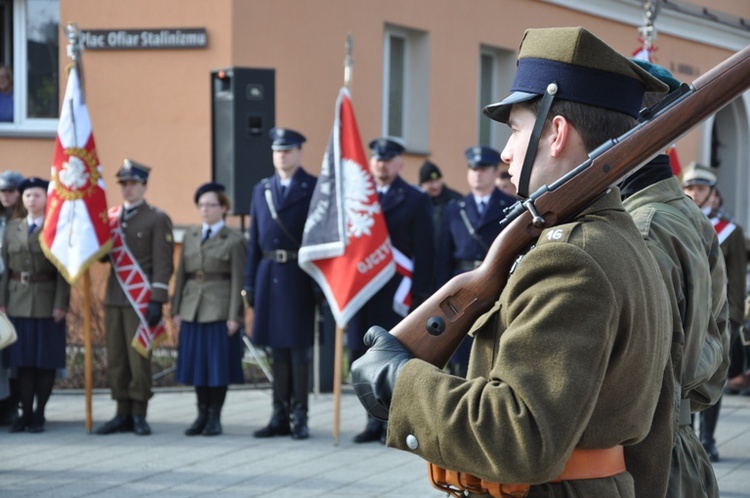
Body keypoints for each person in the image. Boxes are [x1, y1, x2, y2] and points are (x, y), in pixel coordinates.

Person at [351, 26, 673, 497]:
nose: (504, 152)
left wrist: (402, 381)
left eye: (517, 130)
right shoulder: (618, 241)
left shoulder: (572, 259)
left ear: (557, 133)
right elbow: (656, 433)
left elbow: (519, 435)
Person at [619, 60, 729, 498]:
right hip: (676, 454)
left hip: (647, 465)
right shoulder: (685, 214)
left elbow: (645, 381)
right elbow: (713, 351)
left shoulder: (643, 228)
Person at [348, 137, 434, 444]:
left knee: (395, 358)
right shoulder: (359, 198)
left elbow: (425, 250)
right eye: (377, 159)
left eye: (388, 159)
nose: (381, 164)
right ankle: (371, 420)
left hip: (399, 294)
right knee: (363, 355)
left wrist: (422, 296)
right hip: (363, 291)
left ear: (399, 163)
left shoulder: (414, 198)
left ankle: (396, 421)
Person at [244, 127, 317, 440]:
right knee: (276, 350)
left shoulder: (312, 187)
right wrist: (249, 282)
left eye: (287, 150)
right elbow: (253, 243)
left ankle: (299, 414)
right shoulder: (262, 190)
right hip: (268, 275)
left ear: (299, 153)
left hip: (298, 276)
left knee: (299, 350)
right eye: (277, 151)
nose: (282, 156)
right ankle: (278, 413)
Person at [95, 159, 174, 436]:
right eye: (124, 184)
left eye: (133, 184)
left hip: (140, 300)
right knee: (116, 357)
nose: (128, 189)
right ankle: (121, 412)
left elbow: (163, 263)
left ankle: (139, 413)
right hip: (116, 296)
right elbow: (105, 256)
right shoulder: (113, 217)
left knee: (138, 356)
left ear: (144, 185)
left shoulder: (156, 218)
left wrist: (157, 299)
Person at [682, 162, 747, 462]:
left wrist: (733, 320)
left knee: (713, 376)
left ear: (713, 193)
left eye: (702, 188)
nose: (696, 193)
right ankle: (688, 435)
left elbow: (735, 280)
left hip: (718, 318)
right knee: (685, 378)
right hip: (685, 316)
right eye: (691, 188)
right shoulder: (676, 222)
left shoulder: (731, 232)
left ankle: (708, 438)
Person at [173, 182, 246, 437]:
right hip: (192, 307)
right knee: (196, 366)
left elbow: (239, 280)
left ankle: (215, 416)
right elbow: (181, 275)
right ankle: (201, 413)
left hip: (219, 309)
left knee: (216, 367)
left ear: (223, 208)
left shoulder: (234, 240)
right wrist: (176, 310)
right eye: (201, 205)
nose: (205, 209)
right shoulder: (191, 235)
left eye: (211, 205)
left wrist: (235, 316)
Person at [436, 146, 514, 377]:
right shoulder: (455, 209)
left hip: (496, 283)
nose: (477, 174)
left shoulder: (509, 206)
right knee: (459, 348)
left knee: (491, 342)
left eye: (483, 169)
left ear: (494, 172)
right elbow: (443, 256)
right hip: (461, 284)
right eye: (473, 169)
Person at [0, 177, 70, 433]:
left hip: (46, 302)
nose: (32, 200)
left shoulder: (56, 228)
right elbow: (6, 269)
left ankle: (39, 414)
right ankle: (24, 414)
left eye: (37, 195)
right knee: (23, 363)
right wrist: (2, 302)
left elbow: (64, 271)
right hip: (17, 301)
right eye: (28, 195)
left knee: (45, 362)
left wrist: (61, 304)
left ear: (47, 198)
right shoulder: (12, 228)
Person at [0, 170, 25, 425]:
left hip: (15, 292)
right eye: (2, 191)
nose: (6, 196)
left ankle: (12, 405)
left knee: (14, 352)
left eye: (10, 191)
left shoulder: (24, 221)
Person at [418, 159, 462, 253]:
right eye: (430, 182)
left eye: (438, 180)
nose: (435, 186)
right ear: (422, 184)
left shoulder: (455, 200)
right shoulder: (416, 202)